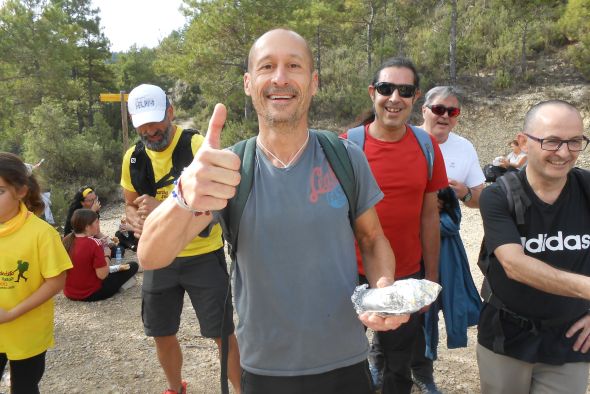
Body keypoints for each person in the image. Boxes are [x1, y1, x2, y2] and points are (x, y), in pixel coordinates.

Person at [137, 29, 410, 394]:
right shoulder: (230, 169)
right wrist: (183, 195)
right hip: (264, 370)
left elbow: (373, 238)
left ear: (313, 83)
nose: (280, 77)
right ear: (249, 83)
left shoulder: (344, 157)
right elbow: (152, 255)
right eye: (267, 66)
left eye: (293, 66)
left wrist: (382, 290)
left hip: (347, 360)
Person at [121, 83, 241, 394]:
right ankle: (175, 388)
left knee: (222, 333)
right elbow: (130, 202)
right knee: (161, 332)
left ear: (170, 113)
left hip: (203, 254)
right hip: (160, 257)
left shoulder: (197, 144)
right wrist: (132, 216)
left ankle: (242, 389)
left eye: (156, 121)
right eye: (143, 125)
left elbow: (218, 201)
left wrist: (165, 209)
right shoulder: (133, 158)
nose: (151, 130)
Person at [341, 58, 448, 394]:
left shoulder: (426, 146)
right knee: (345, 361)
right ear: (373, 93)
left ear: (415, 97)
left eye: (405, 91)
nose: (394, 98)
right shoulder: (347, 145)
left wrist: (430, 278)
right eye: (386, 89)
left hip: (406, 276)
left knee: (399, 366)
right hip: (350, 277)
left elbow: (430, 216)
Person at [478, 100, 590, 393]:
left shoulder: (587, 189)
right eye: (552, 141)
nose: (564, 153)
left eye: (575, 142)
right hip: (506, 336)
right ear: (524, 142)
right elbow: (514, 265)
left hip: (571, 339)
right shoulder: (498, 196)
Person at [410, 86, 484, 392]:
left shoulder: (464, 148)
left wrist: (463, 193)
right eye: (438, 109)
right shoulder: (405, 138)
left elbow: (479, 197)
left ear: (457, 117)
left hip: (442, 243)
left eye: (451, 112)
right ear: (423, 109)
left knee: (429, 305)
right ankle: (378, 362)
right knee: (396, 303)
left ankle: (423, 372)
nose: (444, 116)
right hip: (403, 239)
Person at [0, 152, 72, 393]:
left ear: (20, 191)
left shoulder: (41, 234)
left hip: (27, 332)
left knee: (24, 387)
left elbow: (56, 281)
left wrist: (11, 313)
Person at [62, 209, 139, 301]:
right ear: (87, 227)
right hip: (92, 293)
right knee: (133, 266)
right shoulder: (94, 243)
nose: (99, 225)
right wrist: (107, 255)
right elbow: (102, 275)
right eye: (96, 222)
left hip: (70, 292)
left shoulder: (67, 241)